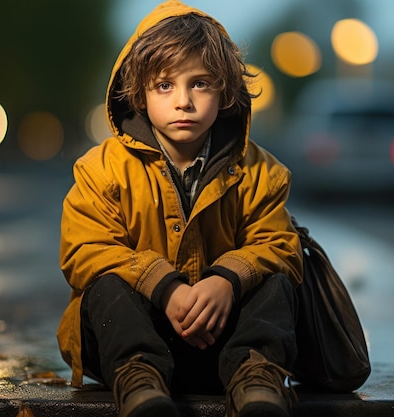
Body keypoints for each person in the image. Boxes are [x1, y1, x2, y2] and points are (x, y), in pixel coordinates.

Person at [57, 1, 303, 416]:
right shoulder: (102, 169)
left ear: (225, 90)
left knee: (276, 281)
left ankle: (257, 380)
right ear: (139, 91)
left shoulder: (261, 171)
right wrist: (164, 286)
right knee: (104, 286)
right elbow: (84, 250)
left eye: (201, 83)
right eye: (164, 85)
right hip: (131, 344)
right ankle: (140, 386)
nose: (183, 101)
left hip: (225, 343)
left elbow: (280, 245)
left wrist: (228, 279)